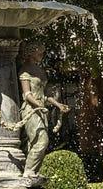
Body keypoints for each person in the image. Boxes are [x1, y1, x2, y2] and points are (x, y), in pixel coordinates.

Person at [19, 42, 70, 177]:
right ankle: (28, 171)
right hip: (31, 110)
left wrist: (58, 105)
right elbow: (27, 94)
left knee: (36, 141)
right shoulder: (25, 70)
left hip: (42, 110)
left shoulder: (40, 71)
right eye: (39, 52)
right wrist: (39, 105)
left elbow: (45, 95)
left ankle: (33, 171)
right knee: (42, 140)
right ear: (31, 53)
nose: (42, 54)